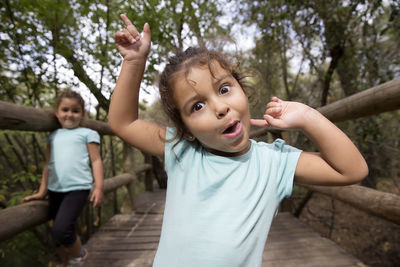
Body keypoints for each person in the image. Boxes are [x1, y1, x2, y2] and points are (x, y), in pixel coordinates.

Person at [108, 14, 368, 267]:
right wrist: (133, 61)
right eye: (197, 106)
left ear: (242, 90)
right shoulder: (182, 150)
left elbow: (352, 170)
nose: (220, 108)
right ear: (185, 129)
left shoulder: (273, 162)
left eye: (224, 89)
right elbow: (124, 123)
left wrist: (308, 116)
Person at [22, 90, 104, 267]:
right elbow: (48, 165)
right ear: (57, 112)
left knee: (61, 229)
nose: (70, 114)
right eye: (65, 109)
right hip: (55, 189)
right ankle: (65, 262)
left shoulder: (87, 133)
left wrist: (98, 187)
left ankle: (79, 256)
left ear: (82, 113)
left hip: (78, 188)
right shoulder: (53, 136)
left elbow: (96, 160)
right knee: (58, 235)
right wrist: (41, 191)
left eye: (75, 111)